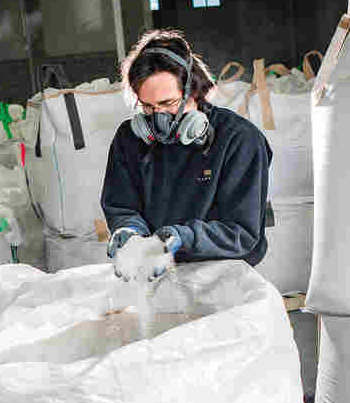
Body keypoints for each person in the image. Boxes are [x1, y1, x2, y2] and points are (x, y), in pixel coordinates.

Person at [102, 29, 272, 281]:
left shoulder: (239, 140)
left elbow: (242, 233)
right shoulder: (130, 139)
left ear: (194, 91)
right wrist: (130, 231)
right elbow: (122, 205)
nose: (158, 117)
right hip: (154, 272)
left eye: (168, 104)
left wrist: (182, 238)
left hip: (222, 276)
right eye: (148, 107)